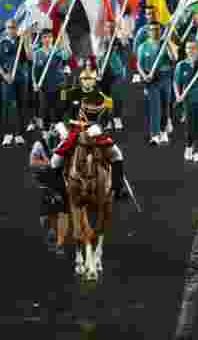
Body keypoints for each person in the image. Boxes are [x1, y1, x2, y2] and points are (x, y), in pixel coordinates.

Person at [54, 57, 126, 201]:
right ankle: (57, 192)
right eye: (85, 78)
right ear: (81, 79)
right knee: (55, 161)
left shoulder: (102, 97)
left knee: (117, 154)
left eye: (90, 78)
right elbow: (61, 113)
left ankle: (117, 188)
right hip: (74, 131)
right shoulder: (69, 93)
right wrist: (62, 128)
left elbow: (105, 117)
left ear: (94, 80)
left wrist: (98, 127)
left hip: (95, 131)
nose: (87, 81)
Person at [29, 125, 68, 254]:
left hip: (59, 179)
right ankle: (50, 231)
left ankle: (59, 239)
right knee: (46, 212)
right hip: (45, 178)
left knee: (61, 209)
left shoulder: (64, 143)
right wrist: (47, 163)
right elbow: (33, 162)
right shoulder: (39, 145)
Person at [136, 21, 176, 145]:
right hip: (151, 79)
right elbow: (139, 64)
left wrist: (168, 42)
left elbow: (174, 58)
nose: (155, 32)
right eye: (152, 29)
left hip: (165, 78)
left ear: (160, 31)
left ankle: (163, 132)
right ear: (148, 32)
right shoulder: (143, 46)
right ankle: (154, 135)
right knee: (155, 107)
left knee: (165, 106)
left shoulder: (165, 44)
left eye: (157, 29)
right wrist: (144, 76)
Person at [0, 19, 32, 147]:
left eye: (12, 27)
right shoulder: (2, 42)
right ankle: (7, 134)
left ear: (17, 28)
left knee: (21, 105)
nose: (10, 29)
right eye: (8, 27)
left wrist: (26, 40)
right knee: (7, 107)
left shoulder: (21, 40)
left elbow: (29, 57)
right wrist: (4, 75)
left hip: (21, 78)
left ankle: (19, 134)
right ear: (6, 29)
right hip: (7, 79)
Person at [33, 29, 70, 133]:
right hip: (45, 86)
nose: (47, 39)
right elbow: (35, 70)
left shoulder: (57, 51)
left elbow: (67, 55)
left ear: (52, 38)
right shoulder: (38, 53)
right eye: (45, 37)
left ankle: (60, 129)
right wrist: (35, 83)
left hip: (61, 85)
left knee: (61, 106)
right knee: (45, 109)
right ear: (41, 39)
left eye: (49, 37)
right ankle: (46, 131)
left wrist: (64, 41)